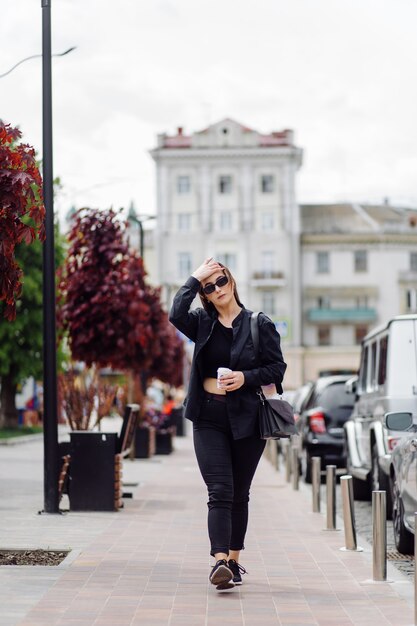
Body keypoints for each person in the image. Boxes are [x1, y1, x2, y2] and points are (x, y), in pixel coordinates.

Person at [169, 257, 287, 590]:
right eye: (209, 287)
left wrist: (245, 377)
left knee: (239, 494)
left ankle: (234, 561)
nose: (217, 289)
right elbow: (175, 313)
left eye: (221, 281)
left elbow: (276, 369)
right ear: (204, 294)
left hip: (247, 418)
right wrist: (195, 277)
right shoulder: (201, 322)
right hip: (208, 416)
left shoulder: (258, 324)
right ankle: (219, 560)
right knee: (219, 490)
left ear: (231, 282)